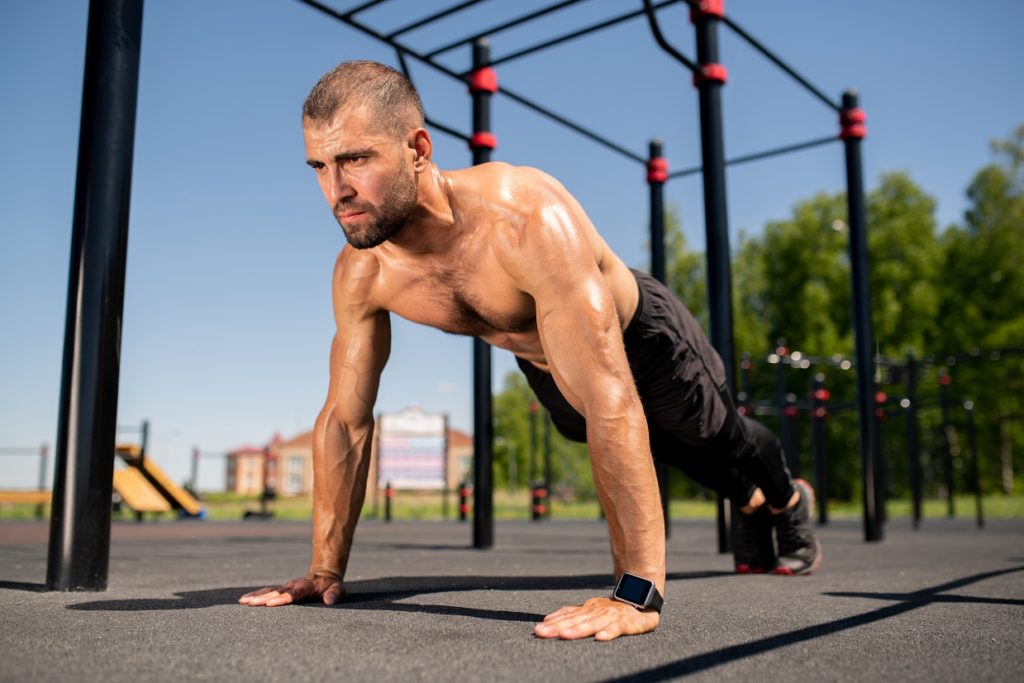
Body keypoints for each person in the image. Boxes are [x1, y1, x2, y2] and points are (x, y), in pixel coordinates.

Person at [238, 61, 821, 640]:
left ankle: (786, 498)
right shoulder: (361, 274)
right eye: (319, 165)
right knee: (670, 446)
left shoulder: (523, 218)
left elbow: (611, 398)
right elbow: (345, 420)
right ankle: (749, 502)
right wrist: (325, 569)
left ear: (418, 148)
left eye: (355, 160)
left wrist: (637, 594)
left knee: (714, 435)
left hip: (641, 337)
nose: (336, 189)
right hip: (547, 364)